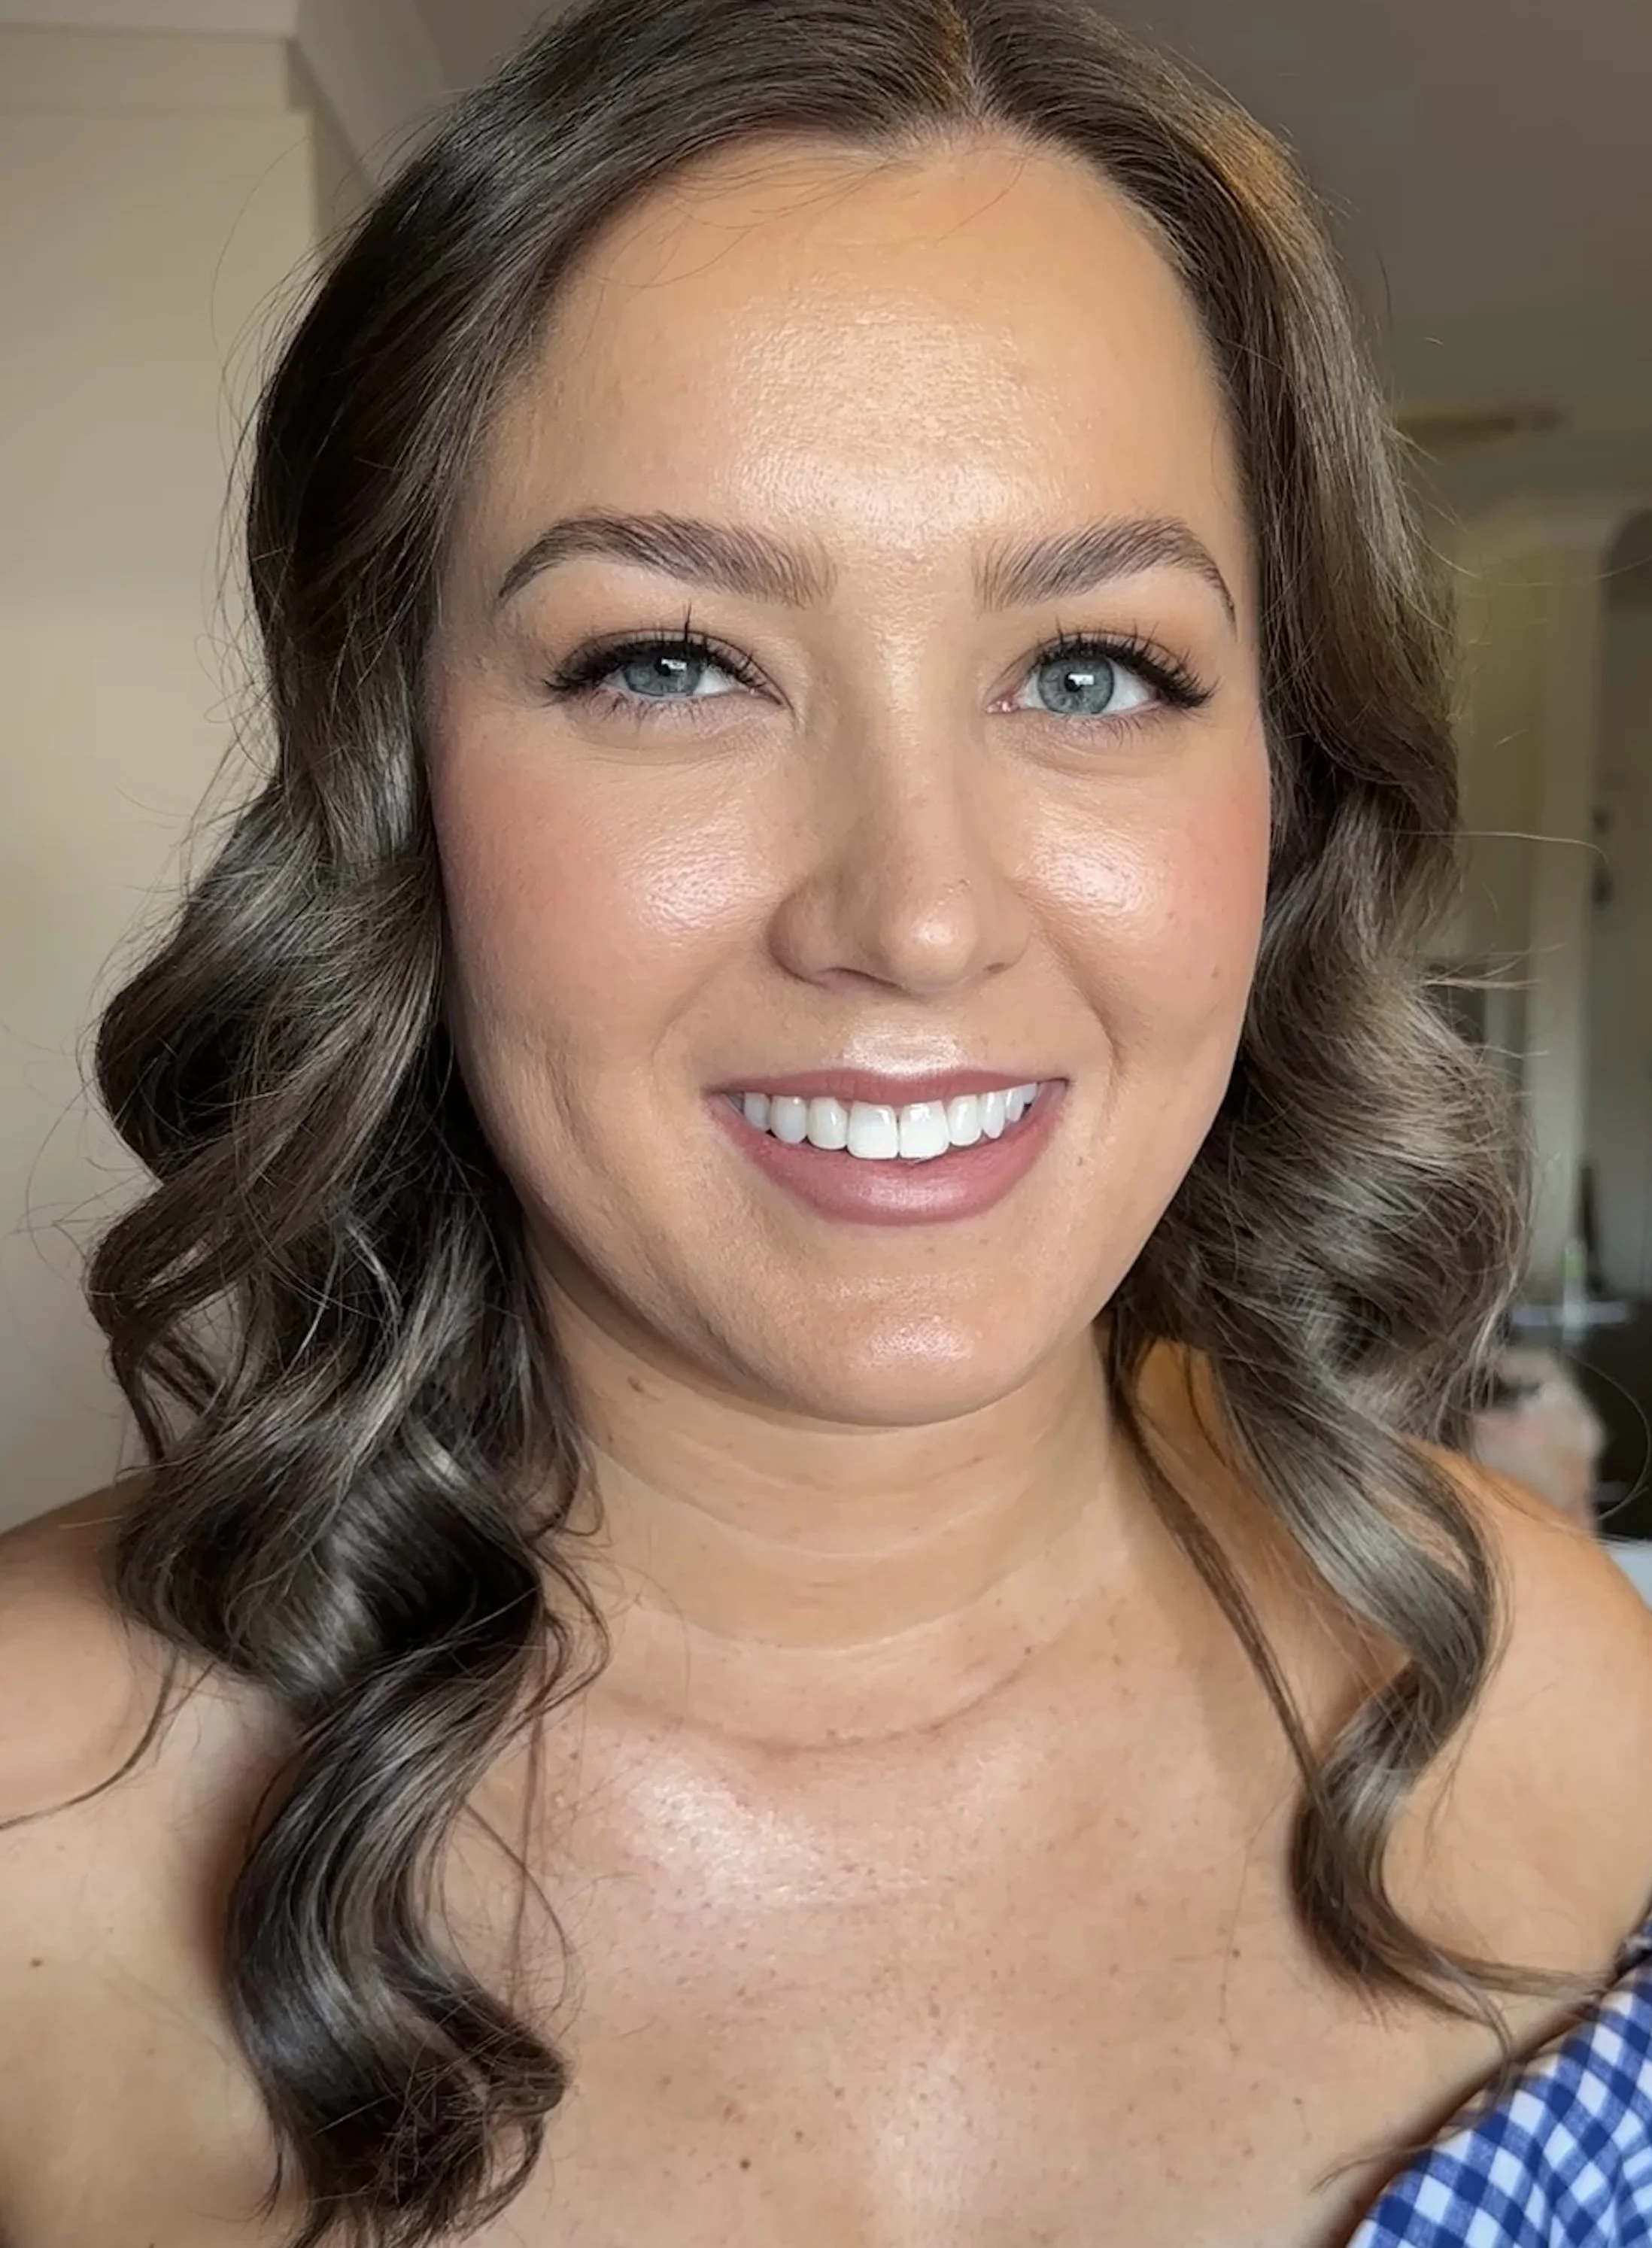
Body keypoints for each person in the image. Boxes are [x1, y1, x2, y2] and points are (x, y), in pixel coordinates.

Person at [2, 1, 1651, 2242]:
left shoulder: (1544, 1691)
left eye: (1091, 670)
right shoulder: (37, 1849)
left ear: (1282, 792)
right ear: (396, 789)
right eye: (670, 661)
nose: (916, 915)